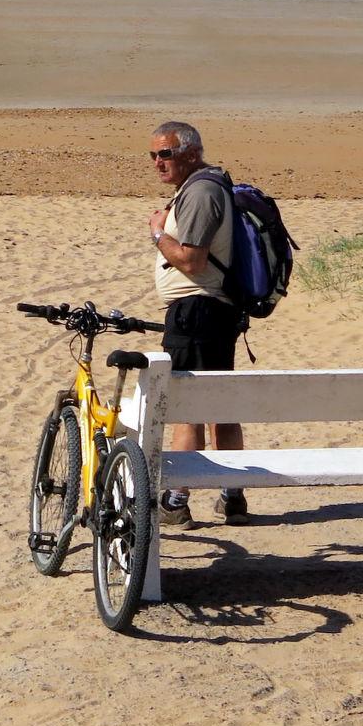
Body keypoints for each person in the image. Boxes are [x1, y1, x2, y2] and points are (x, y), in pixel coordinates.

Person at [146, 121, 247, 527]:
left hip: (197, 313)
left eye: (165, 154)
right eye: (153, 155)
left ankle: (175, 501)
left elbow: (191, 260)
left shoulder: (202, 191)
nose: (157, 162)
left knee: (190, 408)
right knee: (219, 403)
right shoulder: (204, 188)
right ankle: (232, 495)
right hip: (210, 312)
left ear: (191, 152)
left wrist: (157, 233)